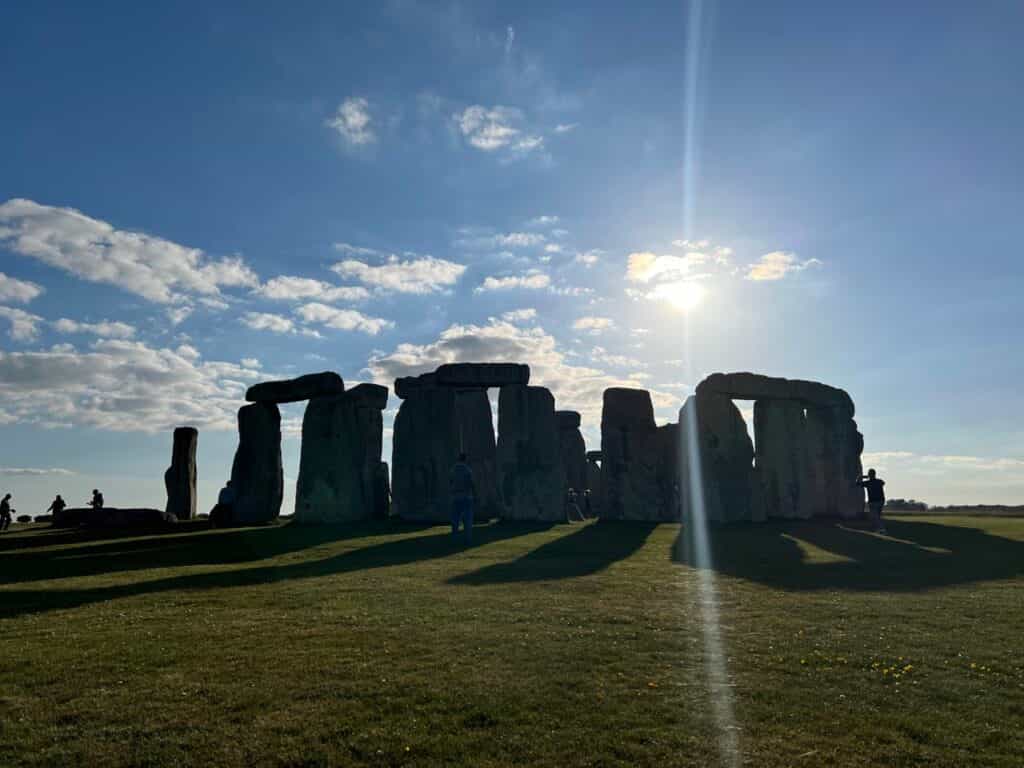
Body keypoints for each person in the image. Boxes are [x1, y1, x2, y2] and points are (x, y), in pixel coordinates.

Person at [449, 452, 475, 544]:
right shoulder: (467, 469)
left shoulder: (453, 469)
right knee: (467, 519)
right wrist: (475, 494)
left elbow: (450, 482)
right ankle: (467, 538)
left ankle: (454, 538)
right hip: (466, 496)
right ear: (465, 459)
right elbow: (470, 483)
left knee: (455, 519)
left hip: (455, 496)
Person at [857, 468, 886, 533]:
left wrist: (861, 477)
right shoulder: (879, 481)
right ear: (875, 474)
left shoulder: (867, 483)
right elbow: (883, 483)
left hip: (873, 501)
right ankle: (878, 528)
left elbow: (857, 483)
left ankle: (881, 528)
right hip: (881, 500)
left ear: (869, 475)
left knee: (875, 516)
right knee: (877, 516)